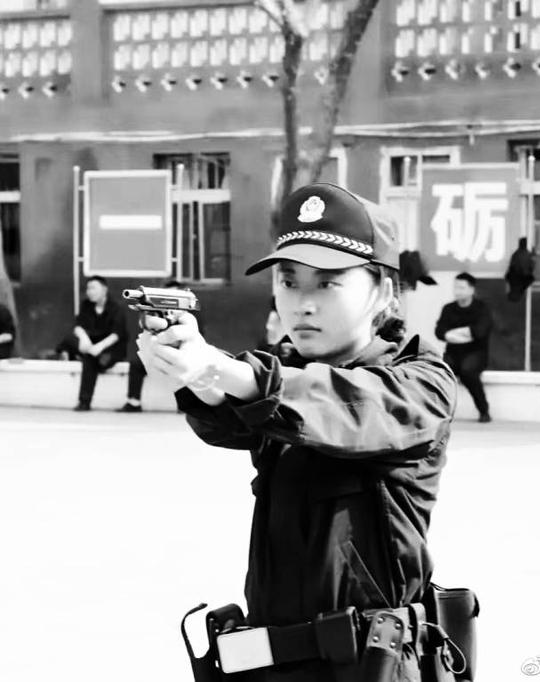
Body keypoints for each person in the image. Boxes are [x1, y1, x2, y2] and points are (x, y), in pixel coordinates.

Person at [139, 183, 458, 681]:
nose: (302, 304)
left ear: (383, 291)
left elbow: (340, 405)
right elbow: (233, 418)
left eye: (327, 284)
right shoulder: (287, 373)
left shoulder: (421, 383)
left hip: (369, 667)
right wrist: (192, 369)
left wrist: (219, 369)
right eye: (289, 282)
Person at [117, 279, 200, 413]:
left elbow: (196, 337)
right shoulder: (156, 311)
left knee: (183, 364)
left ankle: (187, 405)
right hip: (159, 349)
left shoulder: (190, 316)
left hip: (182, 350)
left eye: (173, 295)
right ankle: (133, 402)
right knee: (136, 363)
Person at [435, 272, 493, 423]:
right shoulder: (448, 309)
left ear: (471, 289)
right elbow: (440, 332)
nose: (457, 291)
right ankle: (438, 412)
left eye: (461, 287)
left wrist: (453, 334)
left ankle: (484, 410)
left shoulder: (481, 308)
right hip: (453, 353)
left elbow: (480, 332)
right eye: (455, 287)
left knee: (468, 372)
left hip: (476, 353)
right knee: (440, 373)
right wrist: (465, 333)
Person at [69, 275, 128, 411]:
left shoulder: (116, 307)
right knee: (76, 347)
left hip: (111, 349)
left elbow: (116, 334)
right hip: (91, 347)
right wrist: (84, 339)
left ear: (104, 290)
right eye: (88, 288)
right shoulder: (86, 305)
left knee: (91, 359)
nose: (90, 292)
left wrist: (98, 348)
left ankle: (84, 401)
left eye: (93, 288)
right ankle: (84, 402)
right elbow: (78, 326)